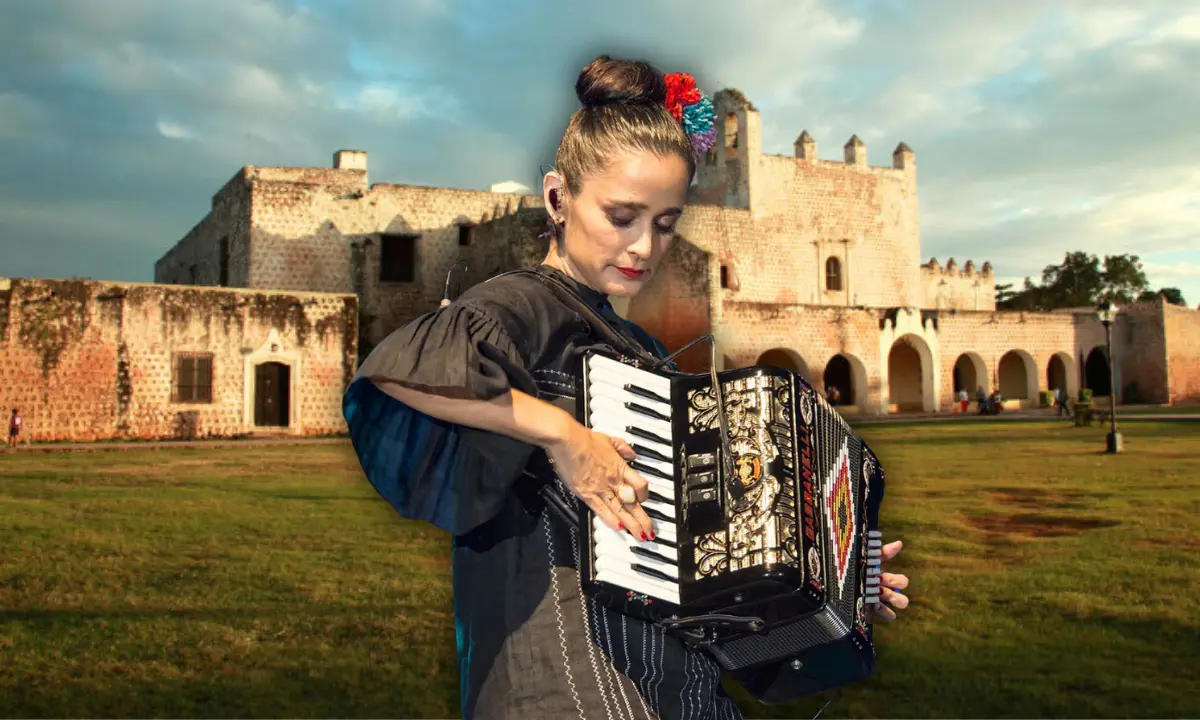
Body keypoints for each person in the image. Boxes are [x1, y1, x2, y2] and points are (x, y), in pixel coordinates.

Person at [343, 55, 910, 720]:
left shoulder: (643, 352)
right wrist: (562, 434)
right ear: (558, 198)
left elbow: (707, 555)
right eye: (622, 216)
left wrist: (828, 584)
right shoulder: (519, 304)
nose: (644, 245)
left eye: (665, 223)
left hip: (676, 685)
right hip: (560, 677)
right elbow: (398, 370)